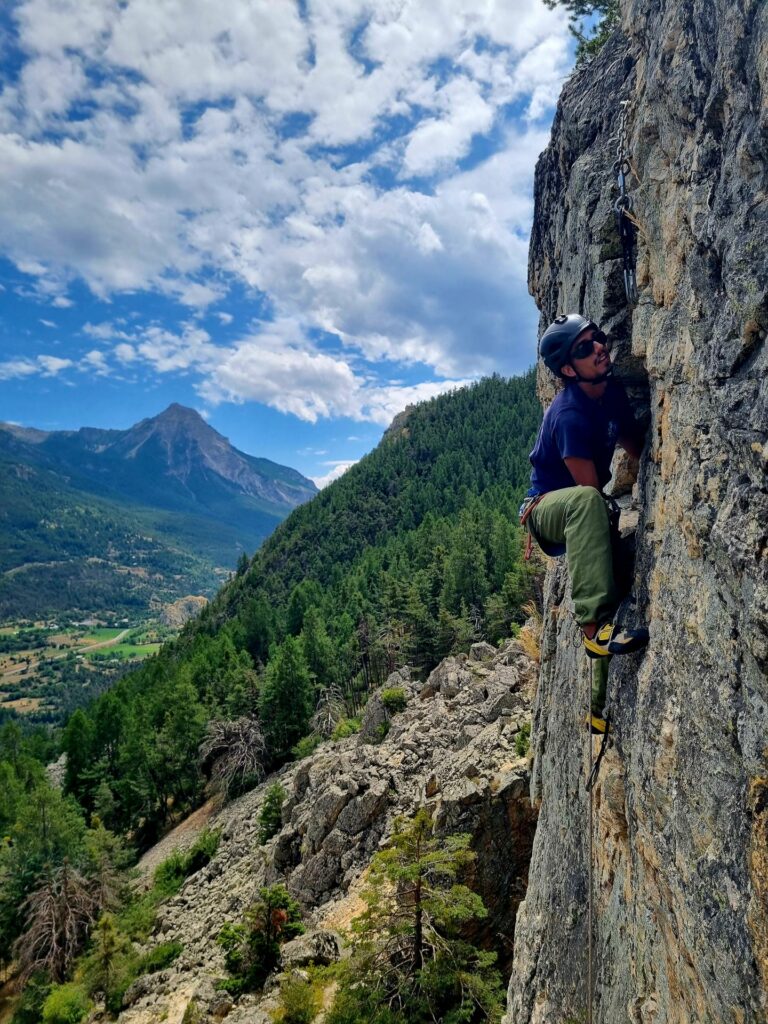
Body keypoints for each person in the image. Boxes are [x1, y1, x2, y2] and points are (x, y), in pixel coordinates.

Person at [520, 314, 649, 732]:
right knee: (592, 509)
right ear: (569, 369)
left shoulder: (610, 392)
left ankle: (598, 712)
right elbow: (589, 491)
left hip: (582, 502)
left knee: (611, 580)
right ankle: (593, 630)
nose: (598, 348)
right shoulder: (569, 416)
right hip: (547, 509)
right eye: (584, 347)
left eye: (597, 339)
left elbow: (634, 443)